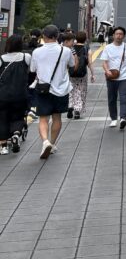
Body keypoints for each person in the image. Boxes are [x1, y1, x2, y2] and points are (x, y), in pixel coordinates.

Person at [30, 24, 75, 160]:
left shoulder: (37, 52)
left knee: (43, 118)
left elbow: (32, 69)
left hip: (43, 89)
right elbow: (72, 65)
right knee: (57, 117)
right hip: (61, 89)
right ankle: (53, 143)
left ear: (44, 36)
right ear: (57, 37)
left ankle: (45, 141)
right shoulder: (65, 51)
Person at [0, 35, 31, 155]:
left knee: (2, 118)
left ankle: (3, 146)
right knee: (18, 116)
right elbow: (32, 70)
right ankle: (16, 134)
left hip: (3, 95)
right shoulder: (26, 57)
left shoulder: (1, 59)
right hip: (20, 94)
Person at [102, 26, 126, 129]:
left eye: (121, 34)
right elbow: (104, 62)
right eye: (117, 34)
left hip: (124, 77)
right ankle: (113, 119)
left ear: (124, 36)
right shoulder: (108, 47)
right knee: (112, 99)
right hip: (111, 77)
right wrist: (107, 71)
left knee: (123, 98)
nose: (119, 36)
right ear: (113, 35)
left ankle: (123, 118)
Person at [69, 30, 94, 119]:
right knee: (81, 91)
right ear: (85, 39)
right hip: (82, 73)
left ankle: (70, 106)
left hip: (71, 73)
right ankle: (77, 110)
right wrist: (92, 74)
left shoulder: (71, 48)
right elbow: (90, 62)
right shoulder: (87, 48)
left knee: (72, 90)